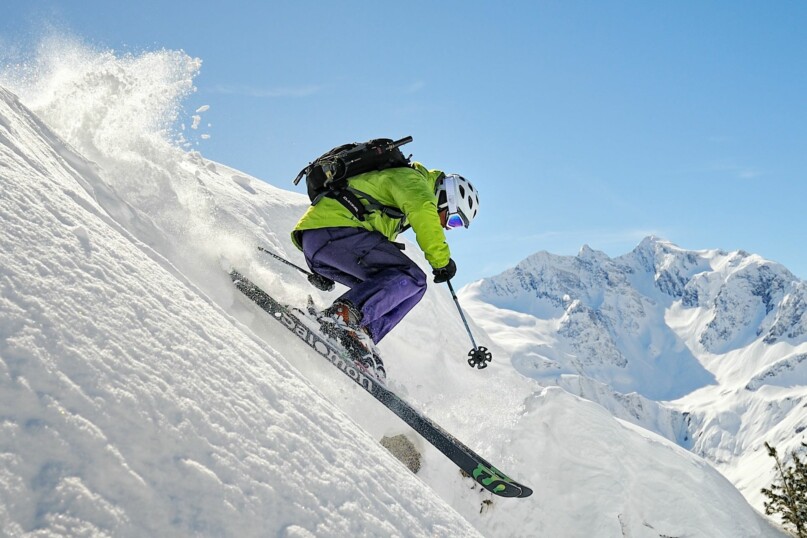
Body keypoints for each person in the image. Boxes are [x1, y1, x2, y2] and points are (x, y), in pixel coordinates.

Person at [290, 162, 479, 377]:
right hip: (332, 232)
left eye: (454, 226)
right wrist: (442, 261)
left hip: (324, 243)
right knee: (412, 277)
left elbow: (373, 256)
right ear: (447, 198)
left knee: (407, 287)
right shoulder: (414, 181)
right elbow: (423, 213)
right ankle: (341, 317)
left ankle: (359, 336)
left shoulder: (398, 209)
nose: (447, 226)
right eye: (453, 220)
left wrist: (326, 270)